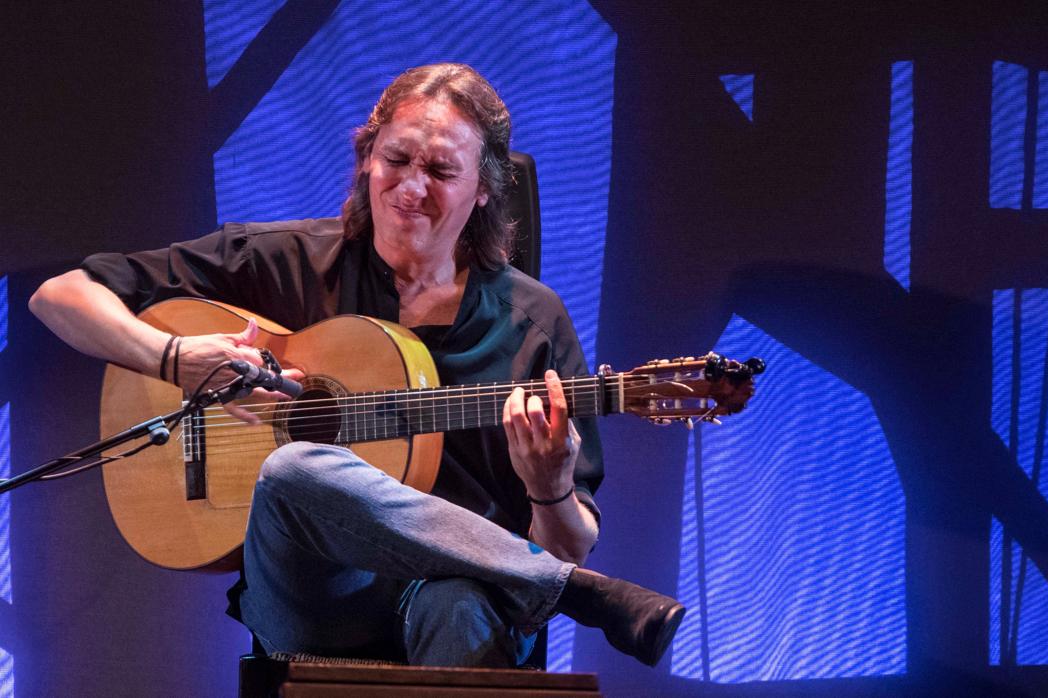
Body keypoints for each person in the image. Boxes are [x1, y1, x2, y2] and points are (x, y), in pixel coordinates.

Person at [28, 63, 684, 668]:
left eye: (441, 170)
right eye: (394, 159)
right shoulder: (282, 261)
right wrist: (173, 357)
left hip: (460, 595)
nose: (410, 187)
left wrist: (549, 487)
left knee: (457, 606)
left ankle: (554, 585)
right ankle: (582, 595)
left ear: (485, 188)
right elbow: (59, 295)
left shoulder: (532, 323)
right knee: (293, 467)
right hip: (314, 595)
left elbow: (565, 538)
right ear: (367, 157)